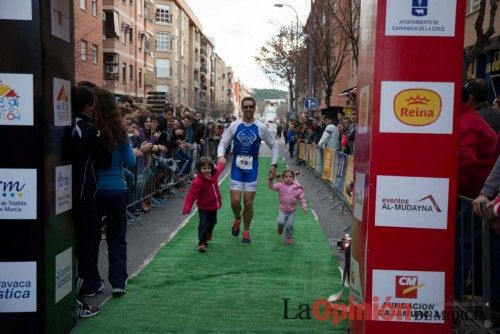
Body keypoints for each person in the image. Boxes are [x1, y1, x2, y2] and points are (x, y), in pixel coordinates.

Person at [71, 84, 111, 317]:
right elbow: (104, 160)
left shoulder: (63, 126)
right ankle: (80, 300)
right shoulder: (89, 129)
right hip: (83, 194)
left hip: (62, 194)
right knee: (86, 245)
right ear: (88, 106)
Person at [93, 89, 137, 297]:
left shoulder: (93, 131)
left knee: (92, 237)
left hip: (93, 189)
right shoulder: (121, 135)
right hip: (117, 189)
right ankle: (118, 282)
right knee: (117, 237)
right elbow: (130, 161)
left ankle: (91, 281)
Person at [217, 96, 278, 243]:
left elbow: (274, 145)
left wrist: (273, 164)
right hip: (237, 167)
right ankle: (238, 218)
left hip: (252, 167)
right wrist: (220, 156)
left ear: (254, 108)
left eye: (251, 106)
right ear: (242, 109)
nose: (248, 109)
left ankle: (246, 230)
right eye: (246, 107)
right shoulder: (234, 125)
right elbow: (223, 143)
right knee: (236, 202)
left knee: (248, 202)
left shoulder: (261, 127)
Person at [182, 157, 225, 252]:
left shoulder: (214, 175)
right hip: (203, 207)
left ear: (211, 168)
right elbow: (191, 195)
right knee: (203, 224)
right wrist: (187, 207)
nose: (207, 170)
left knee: (213, 221)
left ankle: (209, 232)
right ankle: (202, 243)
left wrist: (222, 162)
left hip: (213, 206)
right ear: (200, 170)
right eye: (204, 168)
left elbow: (219, 168)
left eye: (208, 168)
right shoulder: (198, 182)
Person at [268, 170, 307, 245]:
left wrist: (304, 207)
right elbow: (272, 187)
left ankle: (288, 237)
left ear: (293, 178)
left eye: (290, 177)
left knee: (290, 225)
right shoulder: (280, 185)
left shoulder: (297, 188)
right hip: (283, 210)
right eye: (286, 177)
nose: (288, 178)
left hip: (292, 211)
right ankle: (280, 227)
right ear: (283, 178)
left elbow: (302, 198)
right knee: (280, 222)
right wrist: (270, 180)